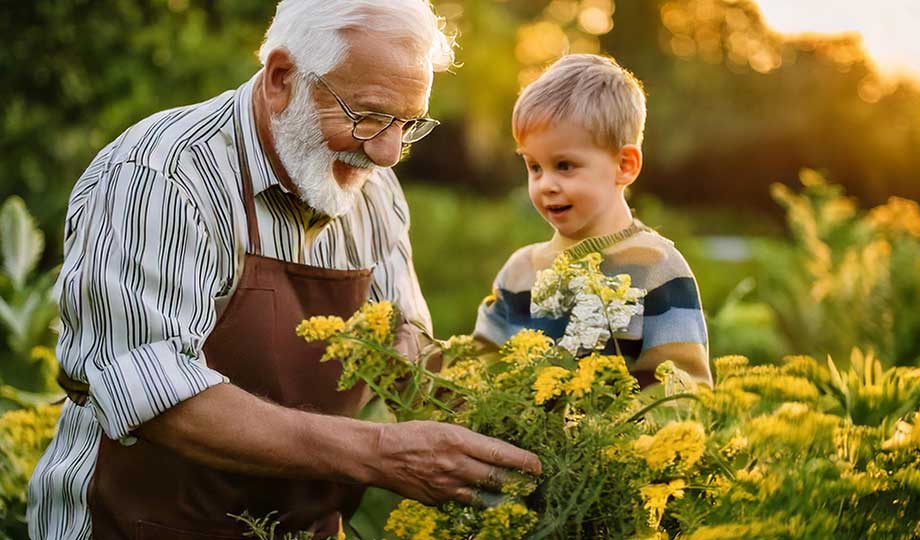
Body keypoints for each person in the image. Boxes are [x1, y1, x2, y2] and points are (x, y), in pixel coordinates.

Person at [28, 1, 541, 539]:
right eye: (369, 115)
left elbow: (406, 358)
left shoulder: (371, 186)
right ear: (281, 79)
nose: (390, 153)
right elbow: (152, 396)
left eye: (408, 123)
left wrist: (538, 426)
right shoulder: (162, 176)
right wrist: (380, 452)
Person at [474, 54, 713, 388]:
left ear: (625, 165)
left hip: (621, 440)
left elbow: (683, 394)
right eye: (534, 167)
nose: (546, 185)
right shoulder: (519, 273)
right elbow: (476, 376)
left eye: (565, 166)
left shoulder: (657, 267)